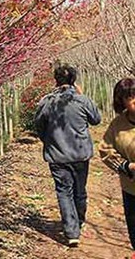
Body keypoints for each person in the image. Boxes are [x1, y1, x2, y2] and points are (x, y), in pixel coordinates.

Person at [33, 64, 101, 247]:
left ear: (55, 80)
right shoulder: (82, 100)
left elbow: (39, 125)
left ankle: (72, 232)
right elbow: (96, 120)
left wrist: (49, 141)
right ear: (74, 79)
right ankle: (78, 222)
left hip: (57, 155)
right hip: (80, 153)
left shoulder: (46, 101)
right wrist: (82, 95)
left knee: (64, 192)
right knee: (80, 190)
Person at [99, 77, 135, 251]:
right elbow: (106, 152)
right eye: (129, 97)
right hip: (131, 188)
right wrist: (127, 167)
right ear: (121, 101)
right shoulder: (117, 125)